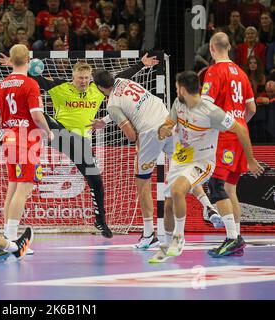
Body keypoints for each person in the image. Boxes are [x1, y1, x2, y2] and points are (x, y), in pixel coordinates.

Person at [0, 52, 159, 239]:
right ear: (73, 77)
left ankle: (100, 220)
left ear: (91, 78)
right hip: (58, 135)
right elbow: (33, 78)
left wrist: (141, 64)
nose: (83, 81)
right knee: (43, 116)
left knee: (96, 180)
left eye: (86, 78)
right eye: (80, 78)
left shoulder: (96, 89)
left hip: (81, 143)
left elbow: (120, 77)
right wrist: (15, 64)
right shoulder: (60, 86)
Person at [92, 66, 217, 247]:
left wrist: (134, 138)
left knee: (142, 182)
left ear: (99, 87)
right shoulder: (124, 82)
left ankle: (149, 234)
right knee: (184, 169)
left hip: (150, 133)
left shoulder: (112, 104)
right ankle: (208, 207)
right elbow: (127, 106)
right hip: (167, 121)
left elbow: (131, 135)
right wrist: (103, 121)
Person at [150, 71, 263, 262]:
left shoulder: (211, 111)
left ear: (183, 89)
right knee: (168, 204)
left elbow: (241, 129)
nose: (176, 90)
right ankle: (167, 244)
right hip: (180, 158)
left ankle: (179, 238)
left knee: (178, 191)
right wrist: (164, 130)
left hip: (202, 161)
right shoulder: (179, 103)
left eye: (177, 87)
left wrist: (250, 160)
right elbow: (169, 123)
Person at [0, 44, 53, 249]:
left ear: (11, 60)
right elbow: (36, 115)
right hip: (26, 139)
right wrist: (48, 130)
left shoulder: (2, 85)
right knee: (23, 188)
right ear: (29, 59)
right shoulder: (31, 84)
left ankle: (6, 236)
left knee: (13, 187)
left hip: (8, 139)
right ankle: (12, 240)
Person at [201, 32, 258, 256]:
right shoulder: (242, 73)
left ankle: (232, 238)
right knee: (229, 189)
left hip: (223, 137)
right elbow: (251, 109)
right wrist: (238, 124)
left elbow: (205, 108)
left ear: (212, 49)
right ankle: (237, 238)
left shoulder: (214, 71)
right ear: (229, 47)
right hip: (240, 134)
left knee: (216, 187)